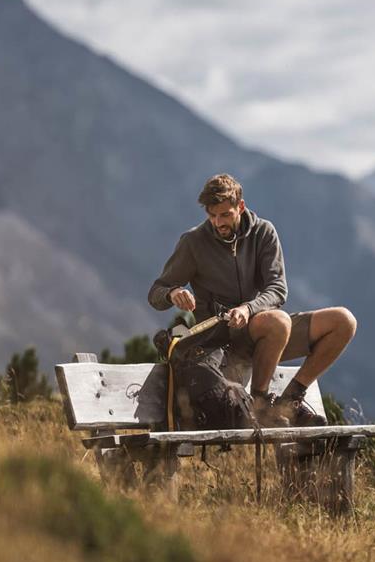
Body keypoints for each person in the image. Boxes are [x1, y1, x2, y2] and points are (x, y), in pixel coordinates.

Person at [148, 173, 357, 425]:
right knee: (278, 322)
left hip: (263, 334)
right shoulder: (193, 242)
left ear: (241, 206)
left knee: (343, 321)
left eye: (225, 215)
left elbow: (278, 288)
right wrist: (173, 293)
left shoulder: (264, 232)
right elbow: (156, 293)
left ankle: (290, 400)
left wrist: (248, 309)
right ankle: (259, 406)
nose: (218, 223)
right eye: (212, 216)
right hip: (220, 344)